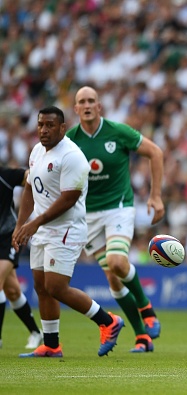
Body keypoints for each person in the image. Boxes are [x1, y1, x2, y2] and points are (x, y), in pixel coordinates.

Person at [12, 106, 124, 358]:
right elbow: (29, 187)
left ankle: (108, 322)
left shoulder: (72, 156)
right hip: (41, 228)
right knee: (40, 286)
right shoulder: (37, 151)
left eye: (50, 125)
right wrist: (21, 224)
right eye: (41, 124)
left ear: (62, 128)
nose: (44, 129)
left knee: (56, 287)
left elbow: (69, 199)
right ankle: (51, 344)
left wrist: (35, 223)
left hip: (66, 228)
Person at [66, 86, 164, 353]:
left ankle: (146, 307)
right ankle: (142, 336)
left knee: (118, 262)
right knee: (112, 279)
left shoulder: (118, 132)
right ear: (75, 109)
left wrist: (155, 196)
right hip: (87, 215)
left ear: (99, 106)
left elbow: (155, 152)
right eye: (81, 102)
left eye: (91, 101)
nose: (86, 105)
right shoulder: (69, 140)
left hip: (118, 207)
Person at [0, 165, 42, 350]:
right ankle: (36, 332)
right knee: (13, 291)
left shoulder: (6, 174)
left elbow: (31, 178)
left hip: (7, 237)